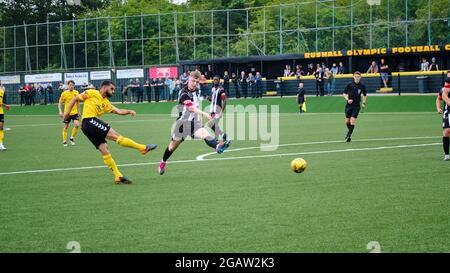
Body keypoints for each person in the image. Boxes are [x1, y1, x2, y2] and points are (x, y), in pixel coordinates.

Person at [63, 80, 157, 184]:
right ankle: (143, 148)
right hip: (89, 121)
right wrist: (67, 112)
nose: (113, 91)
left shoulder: (106, 103)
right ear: (104, 87)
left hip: (87, 128)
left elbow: (118, 111)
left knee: (105, 150)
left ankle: (117, 176)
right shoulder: (92, 93)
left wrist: (129, 111)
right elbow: (75, 98)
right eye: (111, 89)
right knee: (117, 137)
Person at [158, 71, 231, 175]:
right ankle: (162, 162)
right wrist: (205, 114)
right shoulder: (183, 93)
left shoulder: (198, 90)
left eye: (196, 82)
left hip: (194, 123)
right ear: (188, 79)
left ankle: (218, 147)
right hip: (182, 125)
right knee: (172, 147)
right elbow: (191, 108)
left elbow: (203, 95)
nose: (194, 83)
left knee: (205, 134)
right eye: (192, 81)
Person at [343, 71, 367, 142]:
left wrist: (363, 103)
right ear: (353, 77)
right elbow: (344, 93)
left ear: (360, 77)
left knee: (352, 120)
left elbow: (364, 95)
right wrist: (347, 99)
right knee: (347, 122)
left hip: (356, 106)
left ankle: (349, 135)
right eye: (355, 77)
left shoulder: (362, 86)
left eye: (358, 77)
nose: (357, 78)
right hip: (348, 105)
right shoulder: (349, 84)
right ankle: (349, 132)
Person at [58, 80, 80, 146]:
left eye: (72, 85)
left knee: (77, 125)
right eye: (70, 85)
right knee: (66, 127)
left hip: (74, 112)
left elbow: (78, 103)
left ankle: (72, 138)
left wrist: (79, 111)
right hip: (67, 113)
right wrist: (60, 111)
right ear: (68, 85)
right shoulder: (64, 93)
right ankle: (64, 141)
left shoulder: (76, 92)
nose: (71, 86)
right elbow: (60, 103)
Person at [206, 75, 228, 141]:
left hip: (218, 110)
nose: (215, 81)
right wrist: (209, 99)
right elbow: (213, 100)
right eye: (214, 79)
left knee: (210, 124)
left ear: (219, 81)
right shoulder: (213, 89)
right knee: (214, 124)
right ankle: (220, 136)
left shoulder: (221, 90)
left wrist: (222, 111)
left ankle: (222, 135)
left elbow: (224, 100)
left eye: (216, 80)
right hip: (212, 110)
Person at [437, 77, 450, 160]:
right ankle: (446, 155)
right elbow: (439, 98)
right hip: (447, 112)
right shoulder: (444, 89)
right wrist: (438, 108)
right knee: (446, 132)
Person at [0, 81, 11, 151]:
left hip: (1, 112)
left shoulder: (1, 91)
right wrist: (6, 105)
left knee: (1, 128)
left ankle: (1, 144)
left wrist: (5, 105)